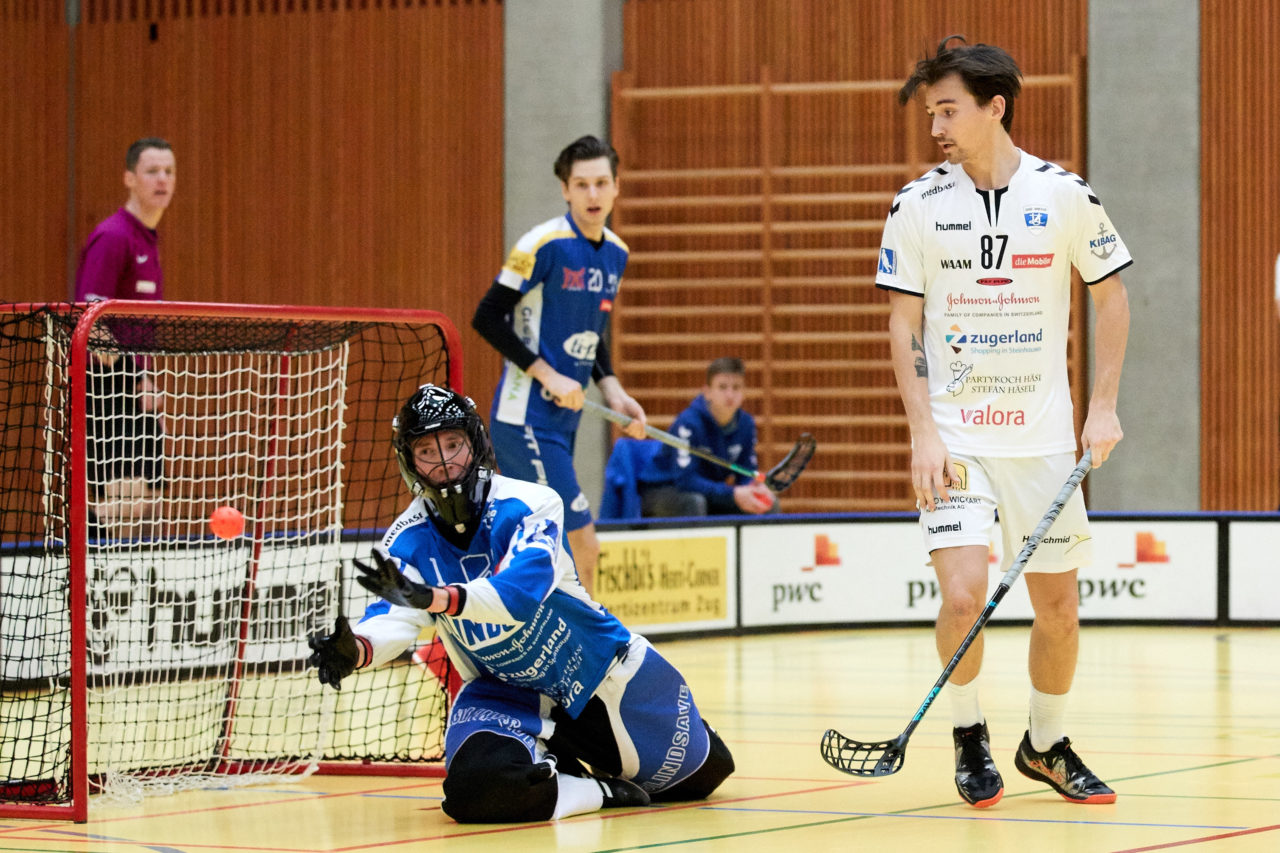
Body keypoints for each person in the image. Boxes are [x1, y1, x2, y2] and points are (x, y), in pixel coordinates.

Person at [876, 37, 1130, 808]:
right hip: (956, 439)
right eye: (931, 113)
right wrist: (923, 433)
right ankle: (968, 731)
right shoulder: (917, 205)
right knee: (963, 597)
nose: (936, 127)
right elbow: (902, 323)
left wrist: (1103, 405)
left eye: (948, 110)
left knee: (1059, 612)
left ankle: (1045, 743)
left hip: (1043, 441)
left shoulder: (1065, 196)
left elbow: (1112, 297)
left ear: (996, 107)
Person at [305, 385, 733, 823]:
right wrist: (358, 649)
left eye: (453, 444)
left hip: (593, 676)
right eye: (427, 451)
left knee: (702, 777)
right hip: (504, 692)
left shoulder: (532, 503)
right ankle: (598, 790)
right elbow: (393, 617)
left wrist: (437, 597)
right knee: (472, 793)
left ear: (475, 444)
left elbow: (519, 594)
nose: (445, 462)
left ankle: (593, 754)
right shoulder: (404, 538)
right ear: (409, 462)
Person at [472, 135, 646, 595]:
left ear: (617, 186)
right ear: (565, 189)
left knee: (545, 550)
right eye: (581, 184)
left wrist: (613, 390)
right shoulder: (542, 244)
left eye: (601, 183)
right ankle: (590, 641)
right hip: (525, 419)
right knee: (581, 545)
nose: (593, 194)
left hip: (564, 422)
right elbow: (486, 316)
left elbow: (592, 330)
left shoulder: (617, 253)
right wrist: (546, 374)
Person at [74, 137, 177, 533]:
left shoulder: (147, 239)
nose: (162, 179)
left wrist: (144, 378)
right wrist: (135, 379)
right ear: (129, 178)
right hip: (106, 387)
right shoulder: (114, 236)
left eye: (169, 171)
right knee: (120, 504)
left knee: (147, 499)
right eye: (152, 171)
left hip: (135, 385)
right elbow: (90, 319)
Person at [636, 357, 775, 517]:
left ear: (744, 392)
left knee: (766, 502)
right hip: (663, 491)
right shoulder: (688, 424)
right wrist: (732, 493)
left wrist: (753, 488)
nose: (730, 394)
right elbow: (686, 481)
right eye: (722, 387)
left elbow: (745, 472)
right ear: (707, 392)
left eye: (736, 387)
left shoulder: (746, 424)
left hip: (706, 492)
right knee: (694, 502)